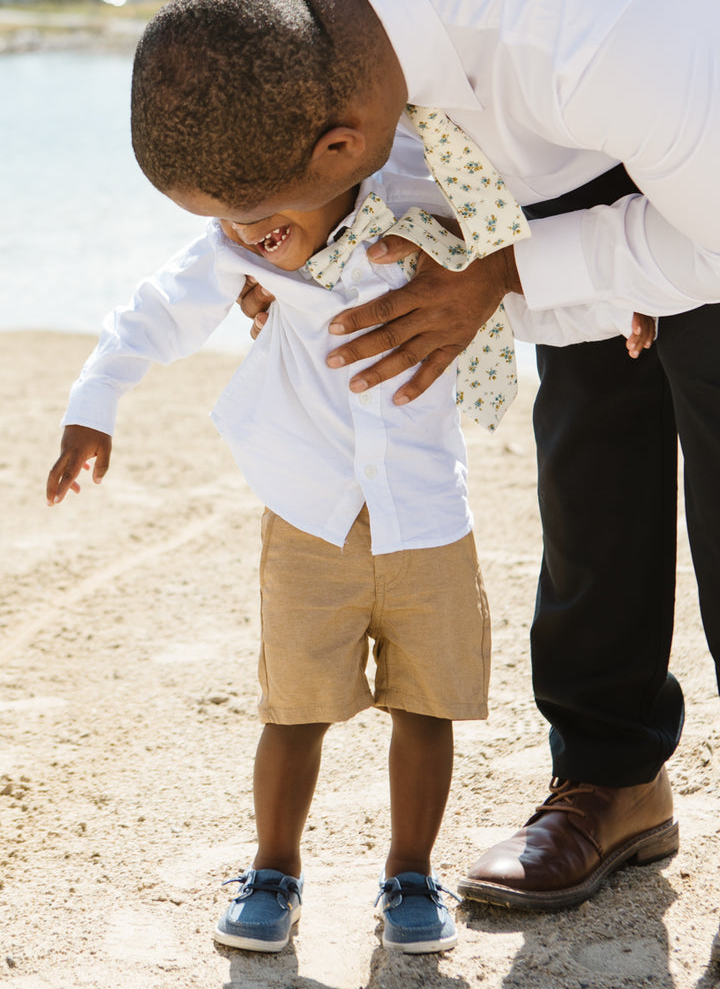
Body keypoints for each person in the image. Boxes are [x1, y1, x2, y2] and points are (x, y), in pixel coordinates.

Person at [127, 0, 720, 931]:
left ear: (341, 139)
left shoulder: (616, 26)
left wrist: (510, 273)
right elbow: (379, 158)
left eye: (257, 224)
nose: (252, 249)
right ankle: (613, 778)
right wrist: (299, 254)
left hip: (684, 67)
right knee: (584, 441)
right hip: (537, 114)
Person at [47, 156, 529, 954]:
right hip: (313, 517)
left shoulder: (425, 209)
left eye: (261, 204)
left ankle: (411, 872)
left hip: (429, 516)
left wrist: (624, 303)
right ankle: (274, 869)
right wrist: (94, 404)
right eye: (228, 217)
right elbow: (155, 311)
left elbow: (526, 254)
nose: (245, 231)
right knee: (295, 708)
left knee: (428, 704)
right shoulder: (240, 250)